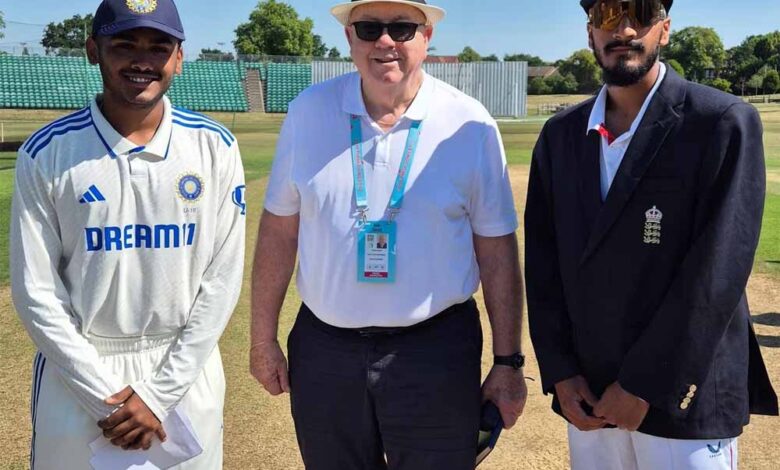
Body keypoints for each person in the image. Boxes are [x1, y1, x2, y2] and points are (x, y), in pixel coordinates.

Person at [250, 0, 527, 468]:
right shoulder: (308, 111)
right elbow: (279, 230)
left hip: (434, 351)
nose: (384, 41)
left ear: (427, 36)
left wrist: (508, 362)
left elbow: (496, 249)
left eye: (402, 28)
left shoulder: (471, 123)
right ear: (349, 37)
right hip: (325, 349)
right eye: (368, 27)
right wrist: (262, 341)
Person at [525, 0, 778, 468]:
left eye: (640, 13)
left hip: (681, 398)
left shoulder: (720, 122)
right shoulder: (560, 135)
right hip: (591, 394)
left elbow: (717, 272)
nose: (623, 29)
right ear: (589, 33)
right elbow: (543, 266)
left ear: (664, 29)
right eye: (607, 14)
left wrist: (645, 383)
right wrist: (561, 371)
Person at [10, 0, 245, 468]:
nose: (143, 61)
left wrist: (159, 395)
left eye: (159, 47)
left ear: (179, 57)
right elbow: (36, 291)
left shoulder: (214, 147)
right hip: (81, 376)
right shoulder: (48, 152)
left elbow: (221, 281)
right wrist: (105, 400)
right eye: (124, 45)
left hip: (181, 372)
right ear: (92, 51)